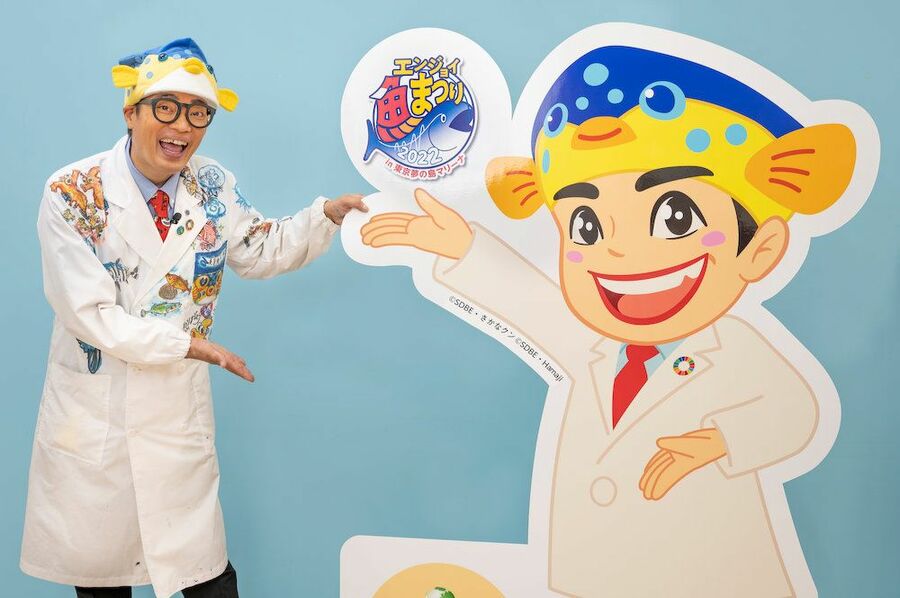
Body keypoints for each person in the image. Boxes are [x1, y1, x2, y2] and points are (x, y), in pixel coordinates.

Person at [360, 44, 858, 596]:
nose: (617, 253)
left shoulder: (733, 345)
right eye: (588, 228)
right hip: (595, 572)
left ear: (759, 249)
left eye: (675, 217)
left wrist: (721, 441)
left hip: (705, 574)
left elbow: (796, 410)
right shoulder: (595, 346)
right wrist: (463, 247)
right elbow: (530, 305)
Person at [21, 38, 366, 598]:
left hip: (174, 412)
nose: (182, 125)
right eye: (166, 107)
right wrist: (187, 346)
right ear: (130, 112)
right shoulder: (72, 192)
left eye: (199, 111)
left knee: (204, 574)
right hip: (97, 409)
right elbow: (88, 313)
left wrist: (325, 216)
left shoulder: (213, 185)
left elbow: (258, 248)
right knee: (103, 578)